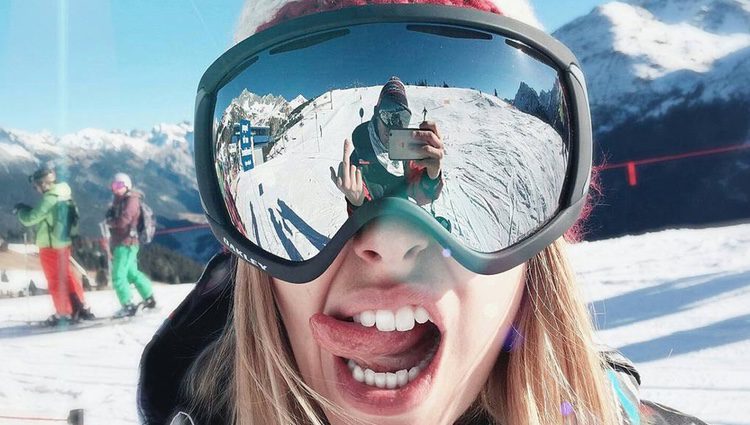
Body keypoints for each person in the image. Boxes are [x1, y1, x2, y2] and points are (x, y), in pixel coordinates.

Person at [138, 2, 708, 425]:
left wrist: (428, 172)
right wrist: (349, 192)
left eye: (518, 213)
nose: (389, 244)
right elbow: (368, 207)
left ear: (544, 245)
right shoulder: (363, 138)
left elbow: (422, 202)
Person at [330, 76, 445, 215]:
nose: (393, 126)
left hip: (401, 225)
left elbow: (420, 195)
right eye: (387, 114)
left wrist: (432, 176)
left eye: (402, 118)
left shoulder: (407, 154)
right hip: (375, 228)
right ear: (376, 114)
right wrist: (356, 203)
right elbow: (359, 230)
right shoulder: (359, 157)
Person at [14, 165, 93, 325]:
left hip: (50, 246)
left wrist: (21, 211)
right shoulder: (64, 194)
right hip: (63, 244)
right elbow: (46, 215)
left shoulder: (50, 197)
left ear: (44, 184)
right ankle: (80, 307)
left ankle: (64, 312)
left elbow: (31, 219)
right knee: (68, 276)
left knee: (55, 280)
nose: (36, 189)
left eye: (36, 185)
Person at [106, 172, 156, 317]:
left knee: (118, 276)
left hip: (125, 243)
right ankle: (149, 298)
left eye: (119, 185)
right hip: (124, 243)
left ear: (127, 185)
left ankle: (128, 305)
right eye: (114, 185)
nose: (116, 188)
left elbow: (124, 220)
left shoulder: (131, 200)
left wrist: (111, 222)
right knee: (131, 273)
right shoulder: (119, 200)